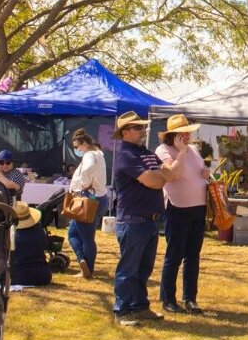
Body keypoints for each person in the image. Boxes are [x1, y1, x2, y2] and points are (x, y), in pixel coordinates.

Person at [112, 111, 179, 327]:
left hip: (149, 220)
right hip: (133, 220)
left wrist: (158, 177)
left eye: (142, 127)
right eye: (138, 128)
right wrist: (158, 177)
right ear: (126, 132)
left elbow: (170, 174)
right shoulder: (126, 155)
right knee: (129, 269)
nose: (143, 131)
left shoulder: (147, 153)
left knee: (144, 269)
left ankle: (139, 307)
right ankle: (122, 311)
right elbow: (154, 181)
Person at [153, 115, 210, 314]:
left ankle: (190, 298)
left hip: (198, 207)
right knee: (174, 255)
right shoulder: (163, 150)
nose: (187, 135)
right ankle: (168, 298)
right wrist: (182, 152)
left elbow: (202, 172)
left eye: (188, 131)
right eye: (183, 132)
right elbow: (172, 174)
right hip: (177, 208)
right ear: (173, 135)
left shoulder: (194, 150)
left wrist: (206, 173)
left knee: (193, 255)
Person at [67, 128, 108, 279]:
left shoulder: (90, 155)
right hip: (99, 198)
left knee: (85, 237)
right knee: (76, 233)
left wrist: (84, 183)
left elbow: (89, 168)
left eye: (77, 147)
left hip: (87, 199)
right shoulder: (99, 154)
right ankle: (84, 261)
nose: (76, 150)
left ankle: (86, 266)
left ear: (84, 144)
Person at [9, 201, 51, 287]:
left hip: (18, 276)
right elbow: (45, 246)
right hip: (42, 275)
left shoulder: (11, 235)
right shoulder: (39, 229)